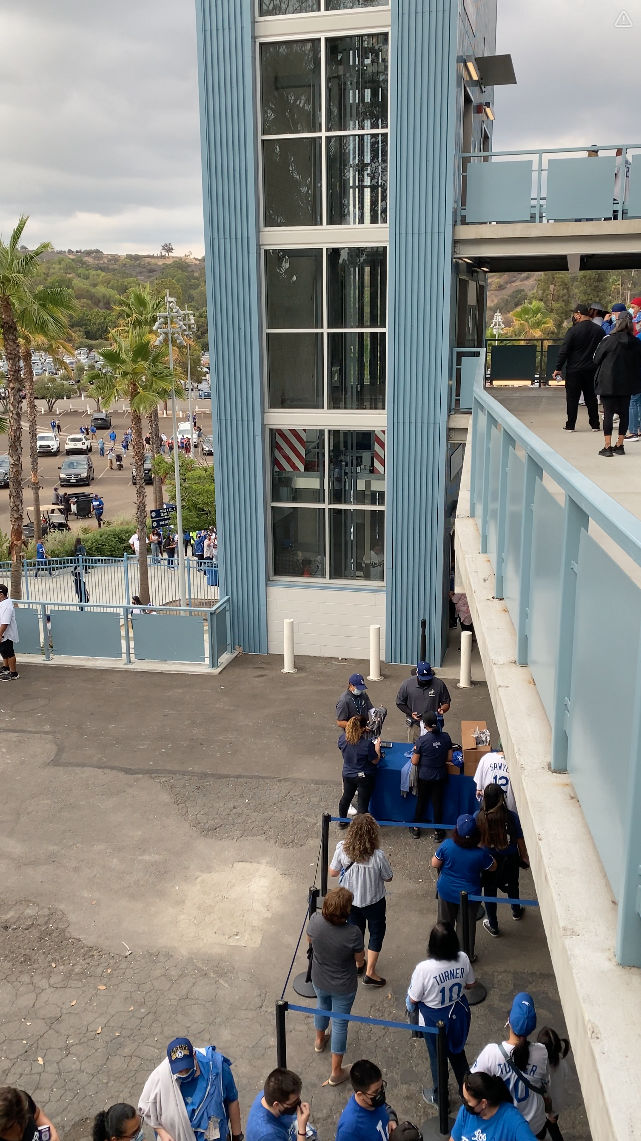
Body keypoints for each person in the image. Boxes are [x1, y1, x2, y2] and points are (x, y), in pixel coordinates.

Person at [407, 922, 475, 1106]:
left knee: (437, 1059)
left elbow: (413, 999)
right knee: (458, 1053)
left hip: (434, 1020)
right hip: (458, 1013)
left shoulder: (424, 969)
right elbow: (470, 984)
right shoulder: (463, 958)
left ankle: (440, 1097)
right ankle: (469, 1094)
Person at [306, 886, 365, 1086]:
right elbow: (359, 960)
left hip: (319, 978)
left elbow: (310, 940)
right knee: (340, 1024)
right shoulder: (353, 933)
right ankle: (335, 1071)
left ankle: (319, 1041)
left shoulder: (315, 921)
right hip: (344, 985)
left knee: (321, 1006)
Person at [472, 993, 549, 1139]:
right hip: (535, 1126)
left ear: (509, 1021)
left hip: (505, 1128)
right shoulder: (541, 1052)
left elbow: (471, 1084)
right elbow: (545, 1085)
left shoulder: (491, 1053)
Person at [139, 1037, 242, 1141]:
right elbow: (148, 1109)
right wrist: (163, 1133)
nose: (184, 1073)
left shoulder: (217, 1068)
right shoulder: (162, 1078)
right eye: (179, 1071)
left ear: (194, 1056)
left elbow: (232, 1101)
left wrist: (237, 1136)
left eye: (187, 1068)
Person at [330, 813, 392, 985]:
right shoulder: (378, 856)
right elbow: (388, 877)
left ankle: (358, 964)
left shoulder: (342, 848)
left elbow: (333, 872)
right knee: (376, 933)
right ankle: (370, 972)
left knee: (356, 933)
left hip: (350, 901)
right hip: (374, 902)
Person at [431, 815, 496, 960]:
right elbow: (493, 867)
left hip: (446, 892)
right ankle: (465, 958)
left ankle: (442, 956)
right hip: (469, 897)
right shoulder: (481, 854)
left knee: (444, 924)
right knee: (466, 928)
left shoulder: (447, 845)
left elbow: (434, 863)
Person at [477, 785, 529, 937]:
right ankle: (516, 911)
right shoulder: (512, 817)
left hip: (488, 863)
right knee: (513, 886)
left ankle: (493, 925)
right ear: (501, 799)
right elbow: (519, 839)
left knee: (489, 893)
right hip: (510, 860)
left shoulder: (478, 817)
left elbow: (475, 842)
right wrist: (524, 857)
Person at [593, 310, 641, 457]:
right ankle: (620, 445)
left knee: (608, 414)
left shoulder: (609, 340)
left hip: (608, 382)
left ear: (617, 322)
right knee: (624, 413)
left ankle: (607, 446)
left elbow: (596, 359)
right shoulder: (636, 342)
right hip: (627, 383)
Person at [551, 304, 604, 431]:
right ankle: (595, 424)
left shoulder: (573, 331)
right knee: (591, 397)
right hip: (592, 369)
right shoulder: (599, 330)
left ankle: (570, 425)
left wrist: (558, 368)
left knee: (572, 398)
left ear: (578, 315)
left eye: (575, 314)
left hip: (574, 369)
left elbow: (564, 350)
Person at [450, 1072, 538, 1140]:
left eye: (468, 1101)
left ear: (483, 1103)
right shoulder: (465, 1112)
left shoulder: (512, 1121)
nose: (464, 1103)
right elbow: (454, 1138)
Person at [409, 712, 452, 840]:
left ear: (425, 725)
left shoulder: (422, 741)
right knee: (437, 803)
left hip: (425, 777)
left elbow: (415, 761)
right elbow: (449, 758)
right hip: (440, 776)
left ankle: (416, 829)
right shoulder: (446, 737)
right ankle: (438, 832)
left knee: (421, 801)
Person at [335, 1060, 397, 1141]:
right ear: (360, 1095)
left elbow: (385, 1107)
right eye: (375, 1092)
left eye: (381, 1087)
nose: (381, 1093)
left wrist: (391, 1119)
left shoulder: (372, 1101)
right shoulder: (349, 1129)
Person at [337, 715, 381, 823]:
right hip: (364, 777)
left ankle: (342, 821)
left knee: (346, 798)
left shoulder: (342, 739)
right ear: (361, 728)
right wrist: (377, 748)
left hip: (348, 774)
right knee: (363, 804)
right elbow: (375, 760)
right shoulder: (367, 744)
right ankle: (361, 829)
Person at [245, 1069, 310, 1141]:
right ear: (276, 1105)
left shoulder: (270, 1094)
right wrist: (301, 1130)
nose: (298, 1103)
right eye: (293, 1102)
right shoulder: (269, 1135)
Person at [396, 662, 451, 743]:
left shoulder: (439, 684)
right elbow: (400, 703)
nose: (426, 681)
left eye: (428, 679)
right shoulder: (407, 684)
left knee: (433, 749)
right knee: (414, 750)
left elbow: (446, 702)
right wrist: (411, 713)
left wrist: (442, 709)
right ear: (417, 673)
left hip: (433, 726)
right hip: (415, 726)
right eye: (423, 679)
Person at [537, 1028, 571, 1141]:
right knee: (552, 1127)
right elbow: (566, 1080)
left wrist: (548, 1115)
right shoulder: (562, 1062)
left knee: (551, 1130)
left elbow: (544, 1092)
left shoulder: (543, 1069)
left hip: (547, 1110)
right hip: (557, 1105)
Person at [474, 745, 517, 814]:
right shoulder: (516, 763)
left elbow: (479, 790)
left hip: (488, 812)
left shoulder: (486, 758)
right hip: (508, 814)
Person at [0, 584, 19, 681]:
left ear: (1, 594)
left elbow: (5, 622)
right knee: (3, 651)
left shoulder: (7, 606)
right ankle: (6, 667)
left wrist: (0, 634)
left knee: (9, 652)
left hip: (6, 634)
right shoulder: (2, 604)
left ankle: (13, 673)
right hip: (2, 633)